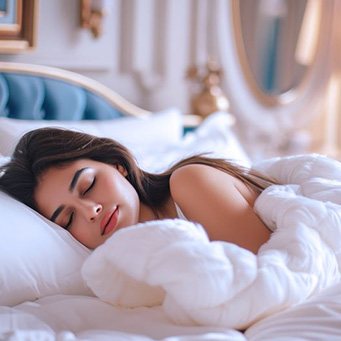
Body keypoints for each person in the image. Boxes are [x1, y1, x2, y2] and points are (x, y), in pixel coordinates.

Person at [0, 127, 277, 253]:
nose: (91, 211)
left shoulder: (190, 182)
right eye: (68, 219)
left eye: (88, 186)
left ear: (117, 164)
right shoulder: (119, 274)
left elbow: (275, 277)